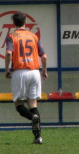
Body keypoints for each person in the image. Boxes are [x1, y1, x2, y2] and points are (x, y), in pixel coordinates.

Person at [4, 11, 48, 145]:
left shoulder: (12, 36)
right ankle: (38, 137)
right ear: (25, 22)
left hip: (20, 72)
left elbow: (8, 54)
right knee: (33, 104)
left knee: (18, 104)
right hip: (35, 72)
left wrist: (7, 69)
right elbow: (44, 56)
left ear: (14, 23)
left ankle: (32, 117)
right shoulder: (33, 36)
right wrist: (44, 70)